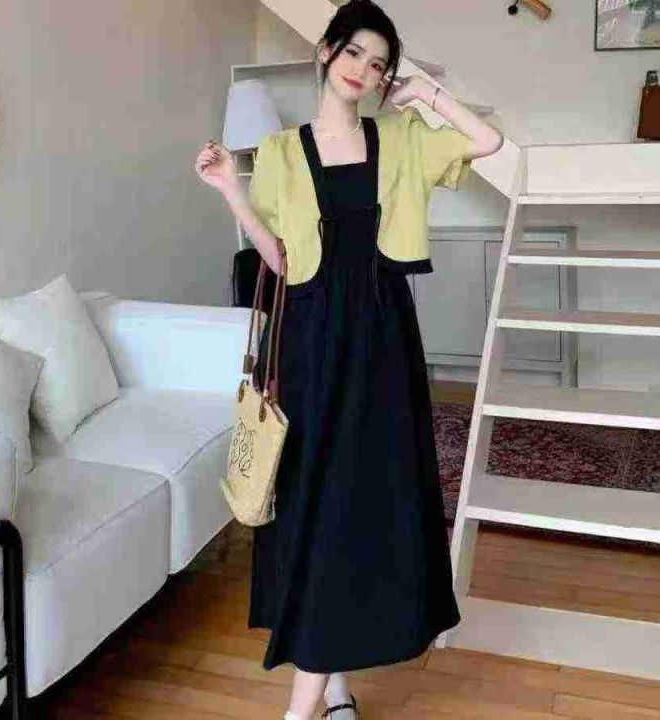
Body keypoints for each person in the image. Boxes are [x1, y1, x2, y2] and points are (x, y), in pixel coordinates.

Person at [195, 2, 503, 717]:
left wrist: (425, 93)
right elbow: (277, 258)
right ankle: (325, 690)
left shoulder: (399, 136)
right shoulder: (280, 151)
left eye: (380, 63)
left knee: (363, 499)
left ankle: (311, 700)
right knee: (314, 501)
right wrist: (230, 189)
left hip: (382, 340)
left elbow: (486, 140)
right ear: (327, 51)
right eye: (356, 53)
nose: (365, 70)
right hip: (308, 341)